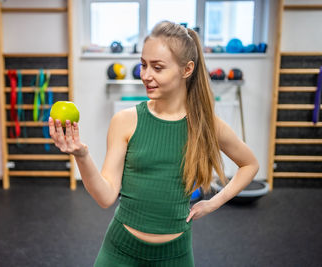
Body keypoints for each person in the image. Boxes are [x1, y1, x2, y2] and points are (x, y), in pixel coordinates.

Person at [49, 21, 259, 267]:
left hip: (175, 256)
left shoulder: (206, 124)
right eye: (144, 65)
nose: (146, 75)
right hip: (120, 251)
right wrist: (82, 156)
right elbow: (105, 197)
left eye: (157, 67)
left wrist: (214, 203)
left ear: (186, 69)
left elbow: (249, 164)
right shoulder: (125, 121)